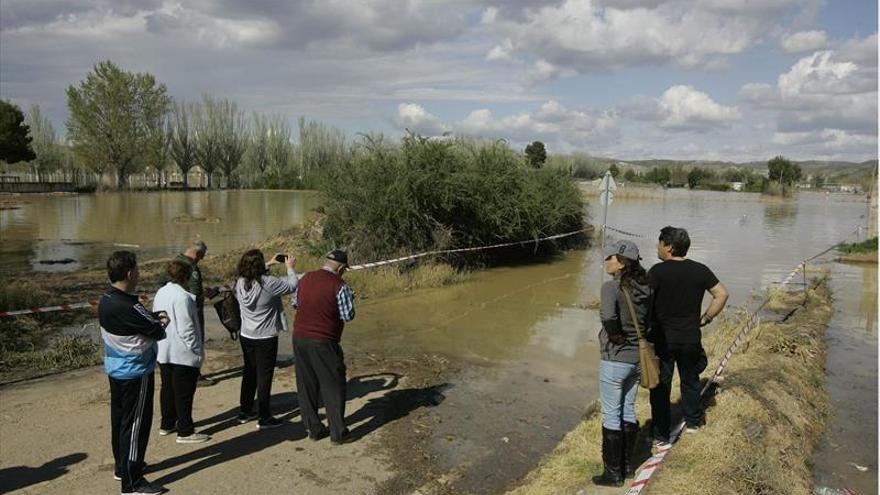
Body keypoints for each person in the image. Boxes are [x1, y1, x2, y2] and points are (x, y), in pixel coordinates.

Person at [648, 226, 728, 446]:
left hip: (663, 339)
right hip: (690, 336)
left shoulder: (656, 272)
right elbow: (722, 294)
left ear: (669, 247)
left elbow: (644, 302)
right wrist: (706, 318)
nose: (657, 246)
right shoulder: (700, 270)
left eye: (660, 242)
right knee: (690, 381)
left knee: (661, 387)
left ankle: (661, 435)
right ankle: (693, 424)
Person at [98, 251, 168, 495]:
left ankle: (122, 467)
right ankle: (133, 482)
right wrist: (162, 321)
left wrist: (151, 319)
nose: (139, 273)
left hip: (116, 370)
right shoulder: (130, 304)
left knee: (120, 421)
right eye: (137, 270)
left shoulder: (106, 299)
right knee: (136, 424)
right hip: (136, 372)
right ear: (129, 273)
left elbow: (140, 321)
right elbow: (157, 331)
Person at [592, 240, 652, 487]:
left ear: (621, 262)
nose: (606, 261)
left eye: (610, 258)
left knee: (611, 413)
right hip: (638, 358)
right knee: (628, 409)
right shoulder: (646, 286)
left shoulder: (611, 287)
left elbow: (607, 316)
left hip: (615, 358)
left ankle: (612, 474)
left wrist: (616, 336)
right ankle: (628, 467)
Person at [292, 250, 356, 444]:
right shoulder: (339, 285)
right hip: (324, 341)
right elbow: (348, 316)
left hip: (300, 338)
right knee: (333, 385)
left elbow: (296, 303)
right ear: (342, 267)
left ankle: (314, 429)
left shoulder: (305, 278)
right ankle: (338, 433)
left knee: (306, 384)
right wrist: (351, 298)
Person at [234, 249, 299, 429]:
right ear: (259, 266)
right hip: (265, 336)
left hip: (246, 334)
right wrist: (290, 268)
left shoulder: (240, 282)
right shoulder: (269, 283)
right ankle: (264, 416)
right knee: (264, 376)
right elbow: (292, 286)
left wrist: (269, 264)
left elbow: (251, 275)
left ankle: (244, 412)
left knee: (249, 373)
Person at [153, 260, 210, 444]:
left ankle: (167, 423)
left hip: (164, 349)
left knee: (167, 388)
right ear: (186, 277)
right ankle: (185, 430)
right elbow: (187, 329)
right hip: (182, 352)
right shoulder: (183, 297)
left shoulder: (161, 292)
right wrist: (196, 352)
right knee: (184, 392)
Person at [159, 240, 218, 386]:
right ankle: (195, 375)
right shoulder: (191, 267)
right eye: (202, 255)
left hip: (169, 309)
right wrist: (210, 293)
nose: (202, 259)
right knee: (194, 339)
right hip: (191, 310)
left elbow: (163, 283)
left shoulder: (174, 263)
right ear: (197, 253)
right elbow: (196, 294)